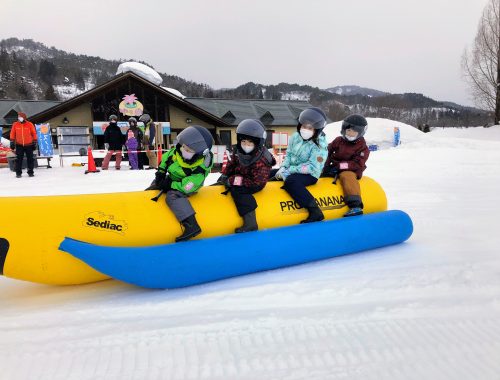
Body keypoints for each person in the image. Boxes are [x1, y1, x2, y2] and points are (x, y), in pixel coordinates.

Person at [146, 125, 214, 242]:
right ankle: (145, 207)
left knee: (172, 196)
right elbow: (166, 158)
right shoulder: (178, 152)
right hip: (173, 178)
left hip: (187, 185)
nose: (184, 151)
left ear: (198, 153)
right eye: (184, 147)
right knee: (155, 184)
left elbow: (186, 187)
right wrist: (161, 173)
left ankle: (191, 225)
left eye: (189, 150)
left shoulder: (199, 169)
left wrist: (170, 185)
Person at [217, 119, 276, 233]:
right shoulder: (238, 151)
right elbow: (232, 163)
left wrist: (233, 180)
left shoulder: (262, 160)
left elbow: (256, 182)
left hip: (254, 182)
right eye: (243, 142)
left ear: (257, 143)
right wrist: (225, 175)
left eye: (250, 143)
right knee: (223, 182)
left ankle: (250, 223)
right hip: (243, 175)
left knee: (238, 191)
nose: (246, 145)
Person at [271, 107, 328, 223]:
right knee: (268, 173)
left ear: (317, 129)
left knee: (291, 181)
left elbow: (313, 167)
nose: (305, 130)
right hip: (291, 170)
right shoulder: (295, 137)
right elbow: (289, 154)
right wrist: (283, 168)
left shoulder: (320, 145)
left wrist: (289, 170)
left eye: (310, 128)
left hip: (310, 174)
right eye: (304, 126)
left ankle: (315, 211)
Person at [322, 114, 370, 217]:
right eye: (348, 130)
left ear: (360, 132)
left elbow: (357, 164)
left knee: (346, 176)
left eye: (353, 131)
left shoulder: (363, 147)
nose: (350, 133)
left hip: (351, 170)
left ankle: (355, 206)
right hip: (333, 168)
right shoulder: (339, 140)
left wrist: (339, 166)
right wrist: (324, 164)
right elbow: (327, 151)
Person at [9, 112, 37, 178]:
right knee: (19, 159)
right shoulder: (15, 124)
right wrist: (12, 141)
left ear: (24, 117)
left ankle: (30, 172)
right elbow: (12, 133)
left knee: (30, 159)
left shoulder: (29, 124)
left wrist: (34, 141)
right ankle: (18, 173)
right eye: (18, 117)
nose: (19, 118)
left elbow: (34, 133)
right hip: (19, 145)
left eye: (20, 117)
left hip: (29, 144)